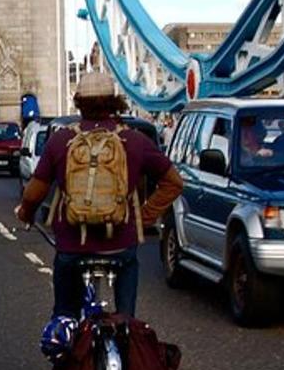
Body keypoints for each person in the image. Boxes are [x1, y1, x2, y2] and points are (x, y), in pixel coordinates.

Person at [15, 72, 183, 323]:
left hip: (72, 246)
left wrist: (25, 213)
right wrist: (143, 217)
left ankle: (65, 337)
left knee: (64, 313)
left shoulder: (61, 140)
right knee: (127, 318)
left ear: (78, 102)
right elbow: (173, 183)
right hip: (121, 244)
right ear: (115, 102)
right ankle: (126, 330)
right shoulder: (134, 140)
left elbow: (35, 192)